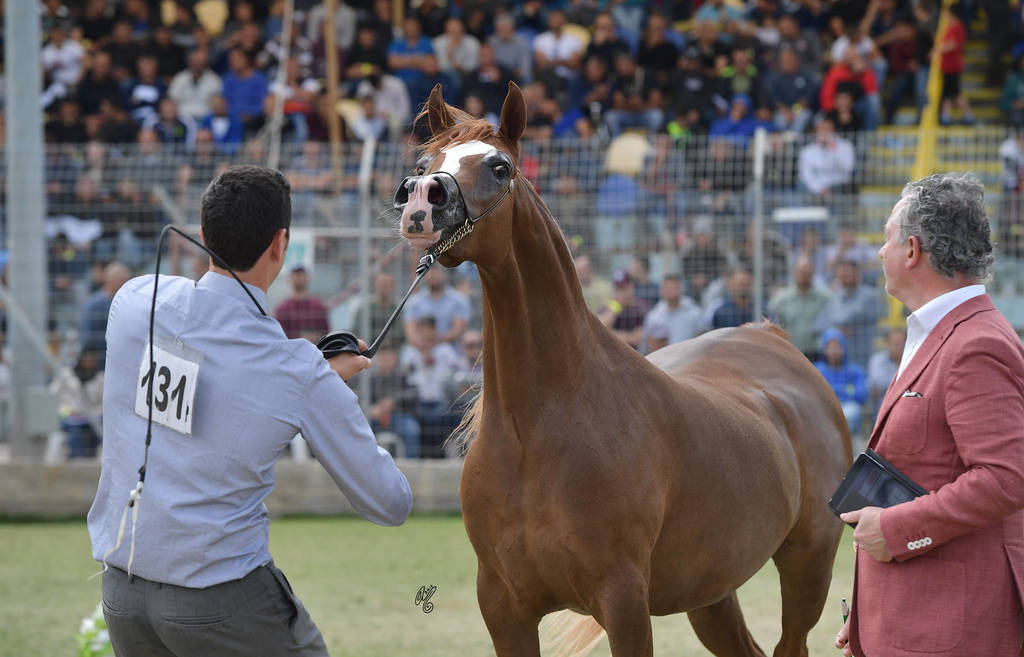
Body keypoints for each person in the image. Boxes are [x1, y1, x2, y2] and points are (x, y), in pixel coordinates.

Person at [88, 166, 411, 657]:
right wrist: (320, 386)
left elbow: (205, 370)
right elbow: (390, 503)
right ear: (281, 245)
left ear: (202, 233)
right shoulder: (296, 371)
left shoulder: (134, 300)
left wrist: (312, 378)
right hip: (224, 600)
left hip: (121, 594)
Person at [835, 173, 1024, 657]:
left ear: (913, 250)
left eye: (886, 239)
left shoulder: (975, 343)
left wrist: (895, 531)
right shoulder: (942, 332)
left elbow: (1006, 479)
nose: (880, 253)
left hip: (950, 628)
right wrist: (871, 606)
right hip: (913, 613)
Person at [816, 259, 883, 368]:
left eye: (847, 273)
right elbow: (819, 325)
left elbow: (852, 316)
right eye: (841, 274)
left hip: (863, 356)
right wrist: (838, 330)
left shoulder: (870, 296)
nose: (843, 277)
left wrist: (836, 327)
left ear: (857, 274)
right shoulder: (834, 298)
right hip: (839, 362)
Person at [768, 255, 832, 360]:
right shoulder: (781, 299)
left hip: (818, 353)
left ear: (812, 273)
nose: (803, 275)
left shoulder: (825, 298)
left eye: (807, 272)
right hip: (791, 352)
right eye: (801, 272)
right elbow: (774, 323)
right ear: (794, 273)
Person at [78, 262, 132, 371]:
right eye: (120, 281)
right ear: (108, 281)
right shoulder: (94, 305)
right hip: (100, 368)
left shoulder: (130, 303)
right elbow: (87, 340)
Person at [815, 327, 868, 435]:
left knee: (851, 413)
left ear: (844, 348)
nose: (834, 351)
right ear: (824, 349)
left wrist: (831, 390)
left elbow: (862, 394)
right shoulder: (816, 370)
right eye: (830, 347)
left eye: (837, 346)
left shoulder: (855, 370)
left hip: (848, 409)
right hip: (823, 410)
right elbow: (814, 394)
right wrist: (847, 389)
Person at [403, 266, 470, 348]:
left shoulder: (459, 300)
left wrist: (437, 341)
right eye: (429, 273)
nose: (432, 276)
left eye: (436, 272)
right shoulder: (414, 301)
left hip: (451, 350)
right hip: (420, 350)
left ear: (444, 274)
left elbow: (458, 329)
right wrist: (425, 347)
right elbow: (411, 331)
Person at [641, 274, 706, 353]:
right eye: (668, 288)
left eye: (674, 287)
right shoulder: (654, 316)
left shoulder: (694, 313)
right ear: (661, 290)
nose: (671, 290)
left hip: (690, 359)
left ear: (681, 289)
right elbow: (646, 345)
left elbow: (704, 339)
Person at [275, 262, 329, 341]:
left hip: (315, 351)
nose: (299, 277)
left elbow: (326, 334)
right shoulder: (282, 308)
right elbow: (279, 338)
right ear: (289, 278)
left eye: (302, 274)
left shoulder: (318, 306)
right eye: (296, 274)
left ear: (308, 277)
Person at [867, 326, 905, 420]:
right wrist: (903, 385)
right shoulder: (876, 360)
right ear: (887, 344)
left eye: (900, 343)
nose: (897, 346)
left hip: (905, 405)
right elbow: (876, 383)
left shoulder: (913, 360)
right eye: (894, 343)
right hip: (882, 407)